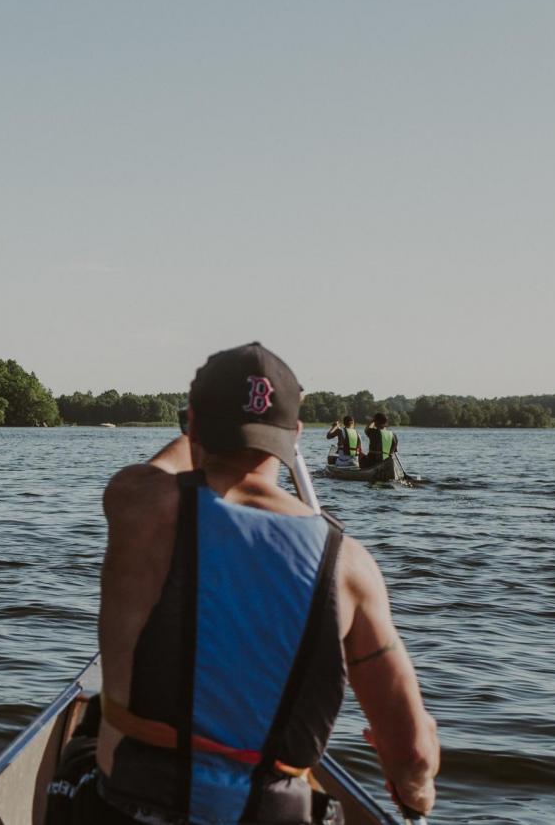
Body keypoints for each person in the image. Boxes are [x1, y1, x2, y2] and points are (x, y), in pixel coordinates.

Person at [71, 343, 439, 824]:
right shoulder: (350, 566)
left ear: (194, 423)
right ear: (296, 437)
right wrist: (417, 791)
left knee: (78, 743)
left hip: (130, 809)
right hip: (273, 814)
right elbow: (410, 753)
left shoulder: (137, 503)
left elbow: (162, 469)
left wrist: (196, 427)